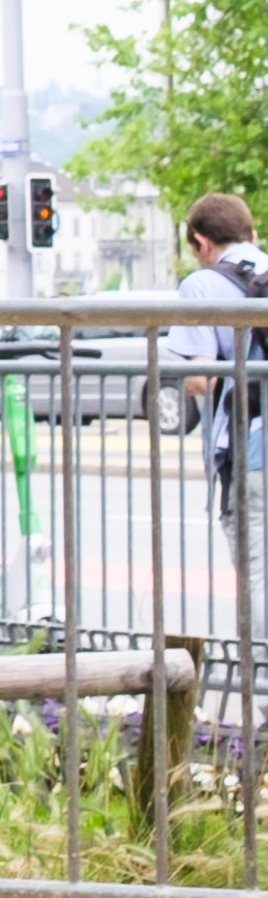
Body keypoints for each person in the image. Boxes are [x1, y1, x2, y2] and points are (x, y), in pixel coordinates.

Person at [168, 194, 268, 628]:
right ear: (253, 234)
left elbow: (201, 379)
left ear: (199, 242)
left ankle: (263, 682)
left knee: (259, 571)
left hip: (250, 446)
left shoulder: (201, 285)